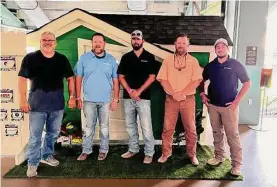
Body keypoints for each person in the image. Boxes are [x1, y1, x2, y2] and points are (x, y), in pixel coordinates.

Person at [18, 31, 76, 177]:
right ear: (40, 41)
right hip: (37, 105)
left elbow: (70, 78)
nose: (48, 42)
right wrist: (22, 100)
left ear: (55, 42)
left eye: (51, 40)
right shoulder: (30, 58)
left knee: (53, 133)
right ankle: (32, 163)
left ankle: (47, 155)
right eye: (45, 39)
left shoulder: (62, 59)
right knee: (35, 136)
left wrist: (72, 97)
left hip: (57, 105)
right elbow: (22, 79)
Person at [200, 38, 251, 176]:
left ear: (227, 49)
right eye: (218, 47)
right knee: (217, 133)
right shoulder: (210, 66)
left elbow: (247, 83)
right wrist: (203, 95)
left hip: (230, 108)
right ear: (215, 49)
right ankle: (219, 156)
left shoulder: (235, 65)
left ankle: (236, 165)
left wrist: (236, 102)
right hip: (213, 106)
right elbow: (202, 80)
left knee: (232, 136)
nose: (220, 48)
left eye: (223, 46)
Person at [156, 33, 202, 165]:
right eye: (179, 43)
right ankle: (166, 153)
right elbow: (162, 79)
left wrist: (182, 93)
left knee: (191, 129)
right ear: (175, 44)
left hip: (188, 100)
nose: (181, 45)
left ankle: (192, 155)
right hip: (171, 99)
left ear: (188, 46)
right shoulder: (168, 60)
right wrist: (174, 93)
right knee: (168, 128)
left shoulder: (193, 61)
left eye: (184, 43)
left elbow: (197, 81)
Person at [75, 33, 119, 161]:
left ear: (104, 43)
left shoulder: (111, 60)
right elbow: (78, 79)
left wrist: (115, 99)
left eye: (100, 41)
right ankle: (86, 150)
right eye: (95, 42)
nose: (97, 44)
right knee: (89, 127)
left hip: (105, 101)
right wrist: (78, 98)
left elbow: (116, 81)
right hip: (88, 100)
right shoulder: (84, 58)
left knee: (104, 127)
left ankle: (104, 150)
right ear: (92, 43)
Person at [117, 30, 157, 164]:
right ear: (131, 41)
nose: (135, 40)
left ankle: (149, 153)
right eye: (133, 38)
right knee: (130, 126)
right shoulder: (126, 57)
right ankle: (133, 149)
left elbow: (152, 77)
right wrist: (129, 90)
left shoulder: (149, 57)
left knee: (146, 127)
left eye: (138, 38)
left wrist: (138, 91)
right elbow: (121, 76)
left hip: (144, 98)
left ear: (142, 41)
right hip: (128, 98)